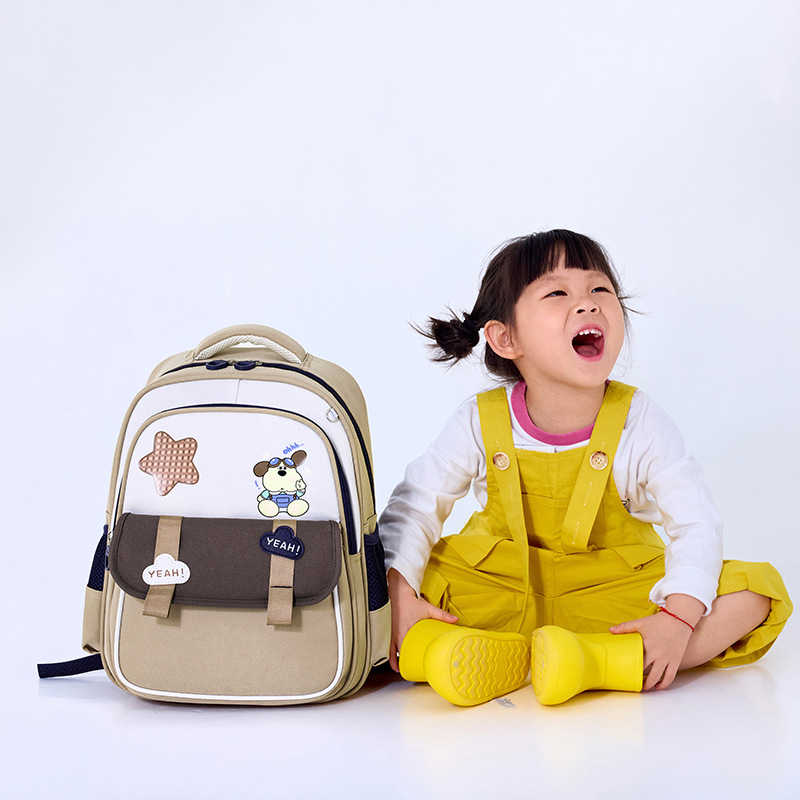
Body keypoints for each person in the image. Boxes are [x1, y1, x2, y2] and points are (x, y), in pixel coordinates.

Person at [380, 229, 791, 706]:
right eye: (557, 293)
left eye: (599, 289)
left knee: (756, 592)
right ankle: (442, 650)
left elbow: (695, 523)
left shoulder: (641, 421)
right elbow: (415, 507)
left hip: (609, 591)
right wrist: (400, 594)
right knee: (382, 587)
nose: (588, 304)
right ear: (505, 338)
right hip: (499, 585)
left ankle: (593, 660)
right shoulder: (479, 419)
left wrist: (677, 617)